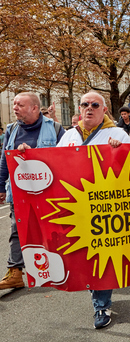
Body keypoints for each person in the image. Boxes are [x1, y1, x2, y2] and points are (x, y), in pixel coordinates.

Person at [57, 91, 130, 329]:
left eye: (95, 104)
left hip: (104, 208)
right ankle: (96, 291)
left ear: (104, 110)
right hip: (76, 208)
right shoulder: (68, 135)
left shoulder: (118, 134)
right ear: (79, 108)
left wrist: (120, 152)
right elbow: (53, 164)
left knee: (102, 256)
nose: (89, 108)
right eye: (84, 104)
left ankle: (101, 305)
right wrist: (26, 155)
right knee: (84, 256)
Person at [0, 93, 65, 290]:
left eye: (20, 104)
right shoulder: (11, 129)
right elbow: (5, 159)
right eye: (14, 104)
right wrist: (0, 186)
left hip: (49, 191)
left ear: (35, 108)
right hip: (20, 192)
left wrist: (34, 154)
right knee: (17, 231)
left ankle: (60, 269)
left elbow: (65, 157)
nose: (15, 108)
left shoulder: (55, 128)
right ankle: (15, 272)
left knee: (53, 228)